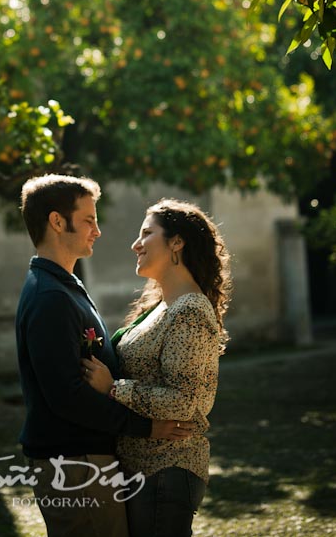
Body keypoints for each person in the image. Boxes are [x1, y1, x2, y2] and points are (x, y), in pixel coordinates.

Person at [16, 175, 194, 537]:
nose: (97, 230)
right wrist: (148, 428)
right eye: (88, 220)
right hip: (75, 465)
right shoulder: (50, 297)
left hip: (84, 461)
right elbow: (67, 397)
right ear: (56, 222)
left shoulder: (64, 286)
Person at [82, 198, 232, 537]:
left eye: (147, 234)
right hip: (143, 470)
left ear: (176, 242)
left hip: (168, 470)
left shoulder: (189, 310)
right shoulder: (164, 306)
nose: (136, 244)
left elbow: (184, 403)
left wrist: (112, 387)